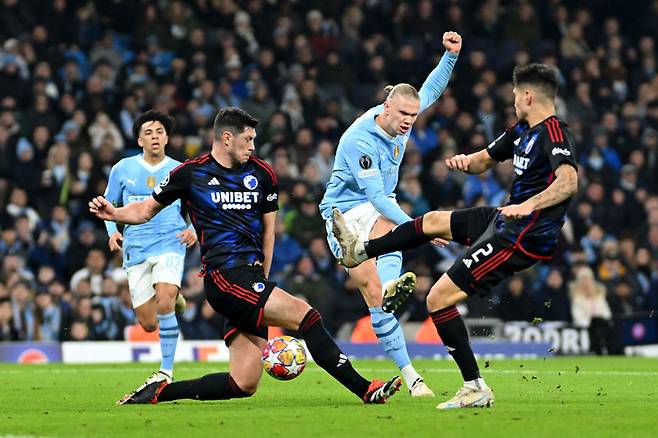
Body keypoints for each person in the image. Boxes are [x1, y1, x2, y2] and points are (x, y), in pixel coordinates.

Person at [90, 107, 401, 405]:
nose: (253, 146)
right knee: (308, 317)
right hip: (223, 277)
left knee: (242, 384)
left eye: (254, 139)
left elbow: (269, 232)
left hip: (250, 278)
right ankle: (365, 389)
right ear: (226, 138)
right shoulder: (190, 174)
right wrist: (114, 213)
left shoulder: (262, 174)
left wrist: (262, 280)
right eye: (247, 139)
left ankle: (160, 392)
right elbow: (145, 210)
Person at [331, 63, 579, 409]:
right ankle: (362, 250)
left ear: (528, 95)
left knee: (437, 298)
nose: (512, 100)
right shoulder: (522, 130)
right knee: (432, 220)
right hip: (504, 221)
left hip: (524, 235)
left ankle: (474, 386)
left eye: (514, 95)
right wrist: (465, 161)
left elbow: (568, 182)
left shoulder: (554, 133)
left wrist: (529, 206)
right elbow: (485, 160)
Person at [318, 31, 462, 397]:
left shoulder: (406, 115)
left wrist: (450, 56)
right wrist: (421, 228)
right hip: (344, 214)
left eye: (413, 115)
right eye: (402, 114)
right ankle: (408, 365)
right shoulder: (359, 141)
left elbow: (430, 90)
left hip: (374, 207)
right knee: (377, 272)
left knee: (381, 288)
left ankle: (412, 377)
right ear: (385, 108)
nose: (409, 122)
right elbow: (378, 199)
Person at [103, 110, 197, 394]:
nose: (155, 136)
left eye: (159, 131)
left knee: (165, 303)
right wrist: (113, 232)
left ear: (167, 137)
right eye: (148, 132)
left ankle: (165, 371)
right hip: (136, 248)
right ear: (139, 139)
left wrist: (193, 229)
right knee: (147, 323)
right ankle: (175, 297)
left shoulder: (181, 170)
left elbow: (198, 206)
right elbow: (109, 206)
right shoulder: (122, 168)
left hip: (170, 243)